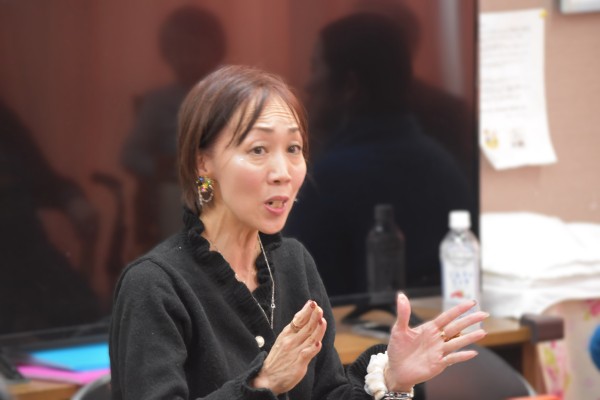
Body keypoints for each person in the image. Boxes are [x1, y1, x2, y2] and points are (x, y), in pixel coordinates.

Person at [109, 65, 488, 400]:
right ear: (202, 162)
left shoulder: (293, 263)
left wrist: (392, 379)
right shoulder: (153, 285)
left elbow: (329, 392)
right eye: (258, 150)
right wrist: (263, 384)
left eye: (294, 148)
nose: (283, 172)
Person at [285, 13, 475, 298]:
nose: (309, 85)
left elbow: (297, 297)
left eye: (315, 67)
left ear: (349, 86)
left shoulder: (328, 180)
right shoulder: (444, 166)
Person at [120, 5, 226, 251]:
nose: (187, 58)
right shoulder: (158, 102)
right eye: (178, 50)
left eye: (195, 50)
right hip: (177, 184)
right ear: (167, 53)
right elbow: (130, 154)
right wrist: (162, 168)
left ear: (215, 51)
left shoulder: (230, 96)